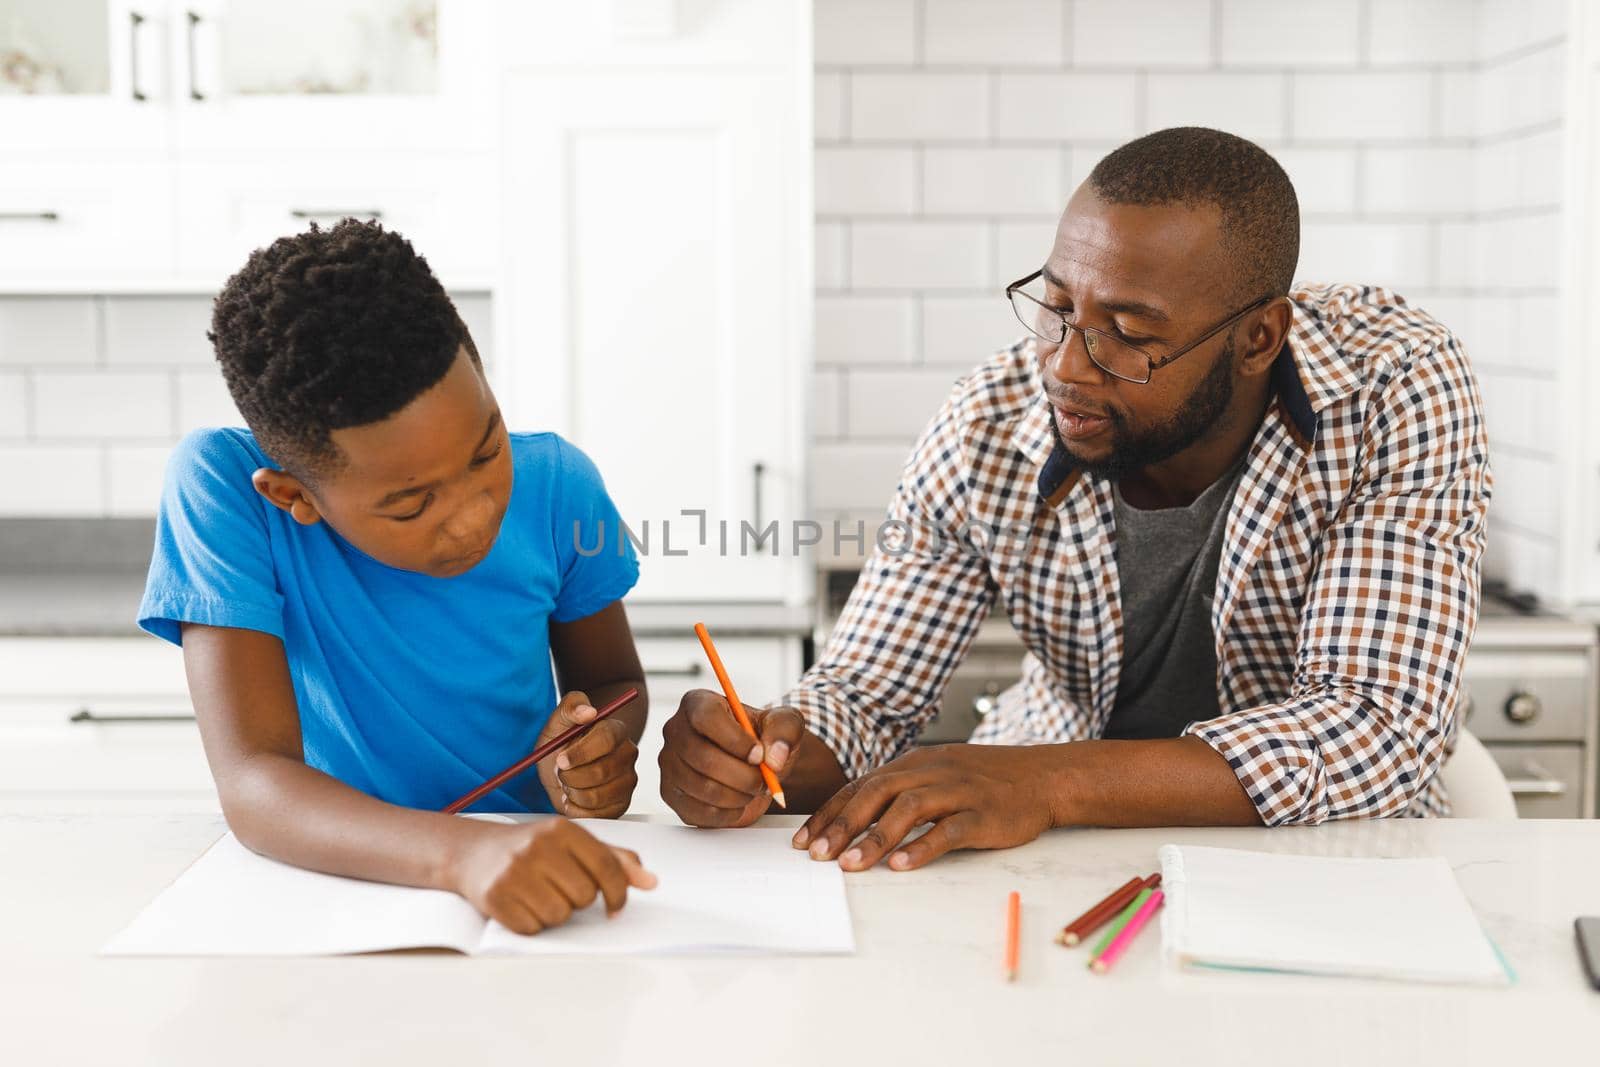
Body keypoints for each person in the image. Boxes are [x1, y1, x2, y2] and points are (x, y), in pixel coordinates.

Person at [658, 127, 1493, 873]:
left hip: (1320, 857)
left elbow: (1373, 729)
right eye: (1057, 307)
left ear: (1257, 338)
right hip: (1056, 853)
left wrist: (1048, 778)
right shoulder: (988, 421)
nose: (1065, 365)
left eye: (1128, 333)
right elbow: (865, 697)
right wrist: (760, 755)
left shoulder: (1392, 386)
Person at [140, 220, 655, 933]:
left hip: (534, 885)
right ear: (296, 498)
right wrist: (464, 854)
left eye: (486, 451)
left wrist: (591, 752)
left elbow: (612, 684)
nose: (474, 517)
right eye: (412, 504)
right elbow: (254, 780)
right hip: (330, 890)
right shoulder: (225, 488)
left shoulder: (560, 482)